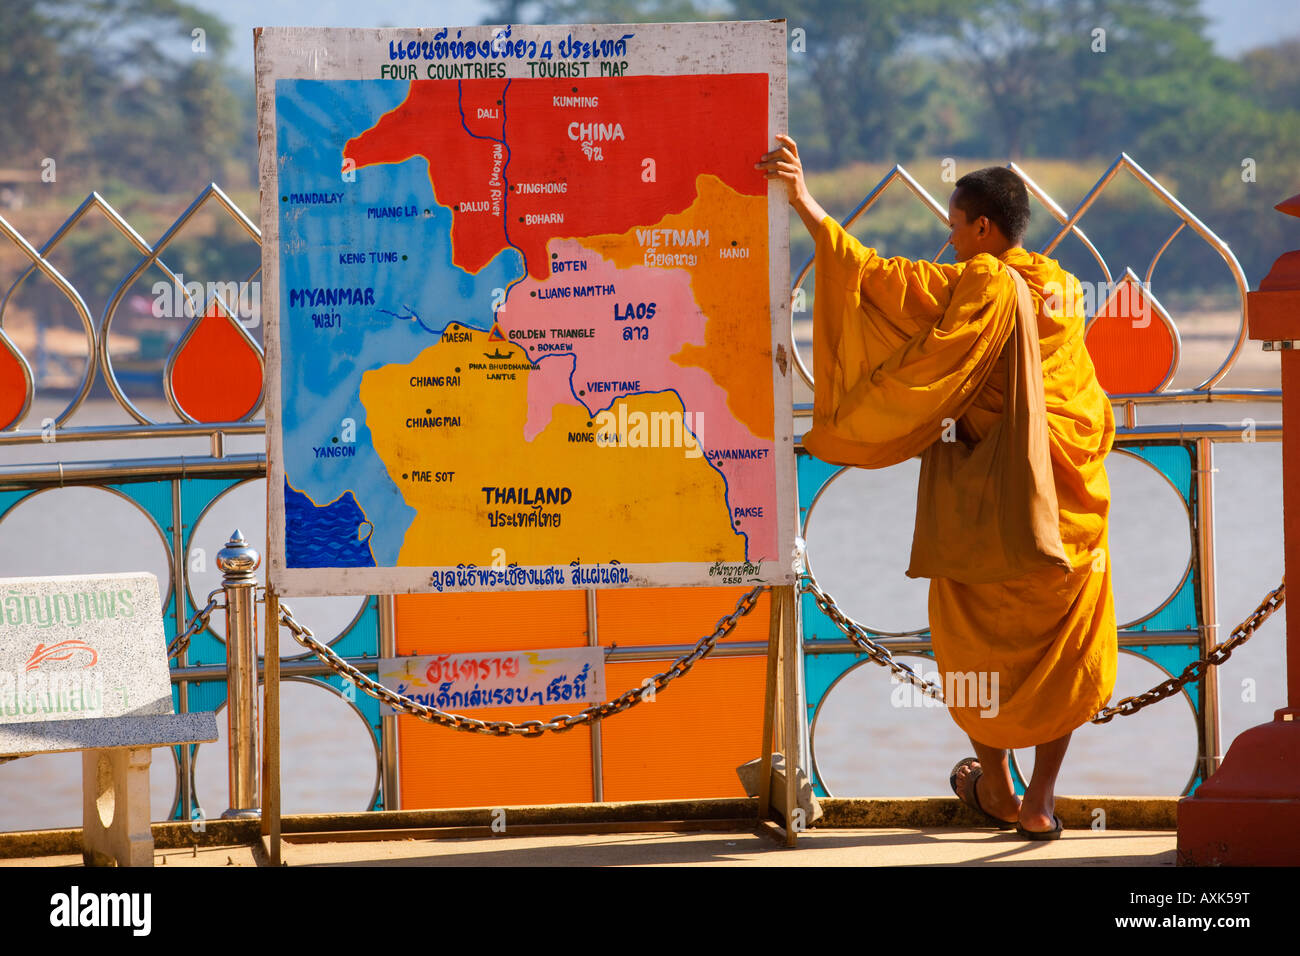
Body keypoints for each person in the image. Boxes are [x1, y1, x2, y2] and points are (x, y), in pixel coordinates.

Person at [757, 134, 1118, 839]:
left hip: (985, 509)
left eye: (955, 227)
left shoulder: (980, 282)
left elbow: (880, 279)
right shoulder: (1065, 289)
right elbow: (1087, 405)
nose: (949, 242)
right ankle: (1041, 800)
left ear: (984, 228)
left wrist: (805, 202)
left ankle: (997, 786)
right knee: (1063, 652)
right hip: (1070, 510)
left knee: (972, 647)